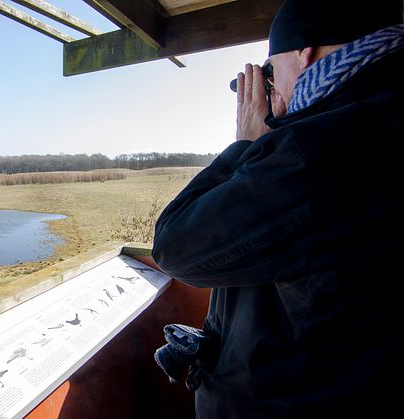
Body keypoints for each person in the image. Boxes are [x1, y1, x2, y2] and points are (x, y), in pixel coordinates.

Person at [151, 0, 404, 417]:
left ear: (305, 55)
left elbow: (176, 247)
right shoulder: (382, 115)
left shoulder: (318, 149)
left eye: (270, 71)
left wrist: (248, 143)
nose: (268, 88)